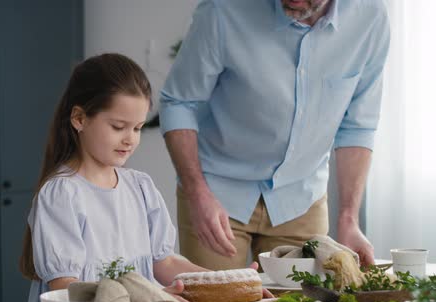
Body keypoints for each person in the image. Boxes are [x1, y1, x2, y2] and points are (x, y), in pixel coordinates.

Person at [19, 53, 272, 302]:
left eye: (138, 128)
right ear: (79, 119)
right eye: (118, 127)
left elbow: (163, 263)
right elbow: (67, 287)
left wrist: (228, 286)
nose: (130, 139)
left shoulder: (140, 186)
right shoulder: (61, 194)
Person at [160, 0, 390, 270]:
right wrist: (197, 193)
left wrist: (349, 218)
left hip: (301, 197)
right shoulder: (221, 11)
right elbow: (178, 103)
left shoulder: (369, 17)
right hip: (217, 192)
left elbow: (357, 126)